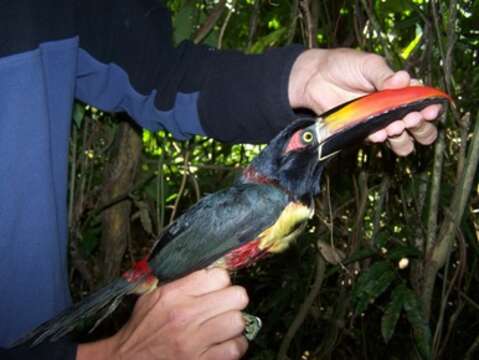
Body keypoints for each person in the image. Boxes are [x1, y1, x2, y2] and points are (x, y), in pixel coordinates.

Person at [0, 0, 441, 359]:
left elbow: (157, 72)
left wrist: (304, 75)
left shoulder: (289, 205)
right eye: (306, 136)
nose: (315, 135)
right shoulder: (265, 202)